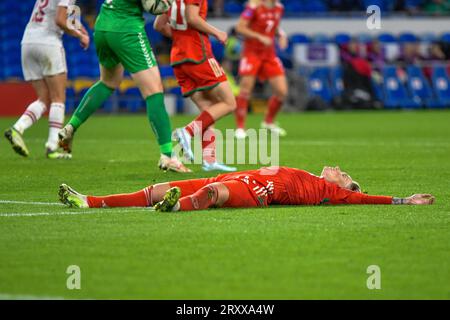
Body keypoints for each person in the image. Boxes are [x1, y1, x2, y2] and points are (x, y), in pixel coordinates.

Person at [58, 0, 190, 173]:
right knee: (154, 92)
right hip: (126, 29)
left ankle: (71, 127)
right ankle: (168, 156)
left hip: (103, 26)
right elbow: (154, 6)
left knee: (108, 82)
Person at [59, 165, 435, 211]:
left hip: (256, 192)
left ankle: (177, 207)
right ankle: (89, 201)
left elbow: (364, 197)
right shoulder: (316, 177)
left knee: (214, 197)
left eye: (343, 173)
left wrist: (404, 199)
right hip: (234, 175)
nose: (337, 169)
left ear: (343, 187)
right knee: (157, 187)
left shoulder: (331, 192)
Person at [153, 0, 237, 172]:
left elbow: (159, 25)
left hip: (178, 58)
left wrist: (180, 39)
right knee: (229, 103)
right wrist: (217, 32)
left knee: (208, 109)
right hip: (198, 54)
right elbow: (192, 18)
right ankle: (187, 131)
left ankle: (209, 160)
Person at [4, 0, 90, 159]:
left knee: (43, 98)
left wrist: (79, 27)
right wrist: (80, 35)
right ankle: (52, 147)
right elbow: (59, 19)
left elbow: (64, 12)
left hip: (28, 43)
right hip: (48, 43)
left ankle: (17, 129)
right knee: (58, 98)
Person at [234, 0, 289, 139]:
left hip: (269, 55)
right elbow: (240, 27)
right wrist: (259, 37)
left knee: (282, 91)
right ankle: (240, 128)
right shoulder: (253, 6)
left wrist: (281, 34)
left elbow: (272, 26)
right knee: (245, 89)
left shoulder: (279, 8)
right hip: (251, 53)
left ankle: (268, 122)